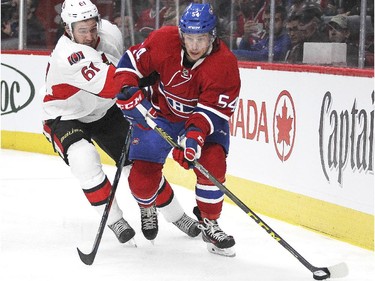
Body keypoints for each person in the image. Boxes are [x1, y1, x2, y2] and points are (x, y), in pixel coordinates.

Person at [114, 3, 240, 257]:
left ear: (212, 36)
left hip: (203, 123)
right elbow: (131, 63)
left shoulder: (224, 64)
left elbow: (210, 113)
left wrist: (192, 140)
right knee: (141, 182)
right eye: (189, 38)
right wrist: (127, 87)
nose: (194, 46)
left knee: (213, 164)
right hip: (160, 116)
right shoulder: (165, 40)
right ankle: (147, 205)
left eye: (201, 39)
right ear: (181, 34)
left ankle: (209, 223)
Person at [41, 0, 136, 245]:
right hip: (65, 114)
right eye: (82, 30)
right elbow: (110, 85)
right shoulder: (67, 55)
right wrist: (141, 82)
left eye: (93, 28)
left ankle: (177, 215)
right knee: (83, 158)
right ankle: (115, 219)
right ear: (68, 29)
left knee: (138, 161)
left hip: (103, 111)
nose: (89, 35)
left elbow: (124, 65)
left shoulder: (110, 33)